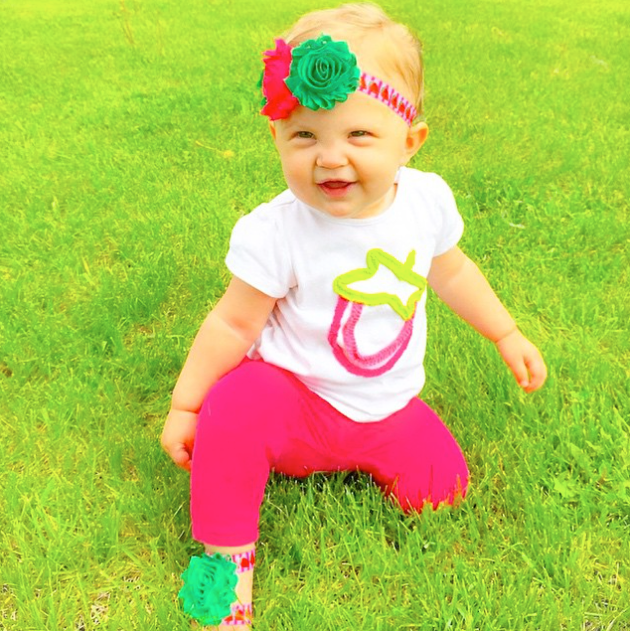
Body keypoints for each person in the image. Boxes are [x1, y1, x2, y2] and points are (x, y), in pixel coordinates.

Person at [160, 3, 547, 628]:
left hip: (385, 407)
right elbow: (233, 324)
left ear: (409, 141)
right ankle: (222, 577)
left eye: (358, 136)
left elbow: (451, 270)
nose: (330, 159)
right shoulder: (276, 231)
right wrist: (187, 404)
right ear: (277, 138)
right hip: (294, 403)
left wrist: (505, 331)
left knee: (442, 492)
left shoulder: (425, 203)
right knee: (236, 406)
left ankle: (376, 457)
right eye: (305, 135)